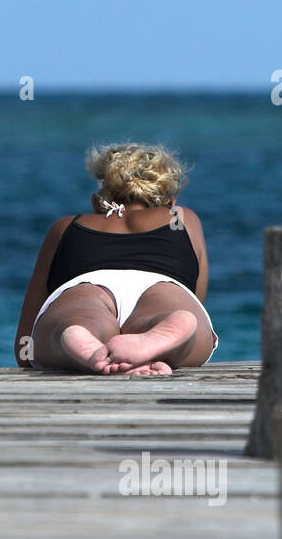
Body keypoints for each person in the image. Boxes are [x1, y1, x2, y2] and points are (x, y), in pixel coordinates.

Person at [14, 143, 216, 375]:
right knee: (182, 324)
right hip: (161, 285)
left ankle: (77, 335)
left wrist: (38, 347)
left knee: (78, 319)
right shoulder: (180, 218)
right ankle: (163, 336)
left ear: (95, 202)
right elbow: (195, 297)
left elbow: (25, 342)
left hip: (87, 283)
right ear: (171, 203)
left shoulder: (65, 227)